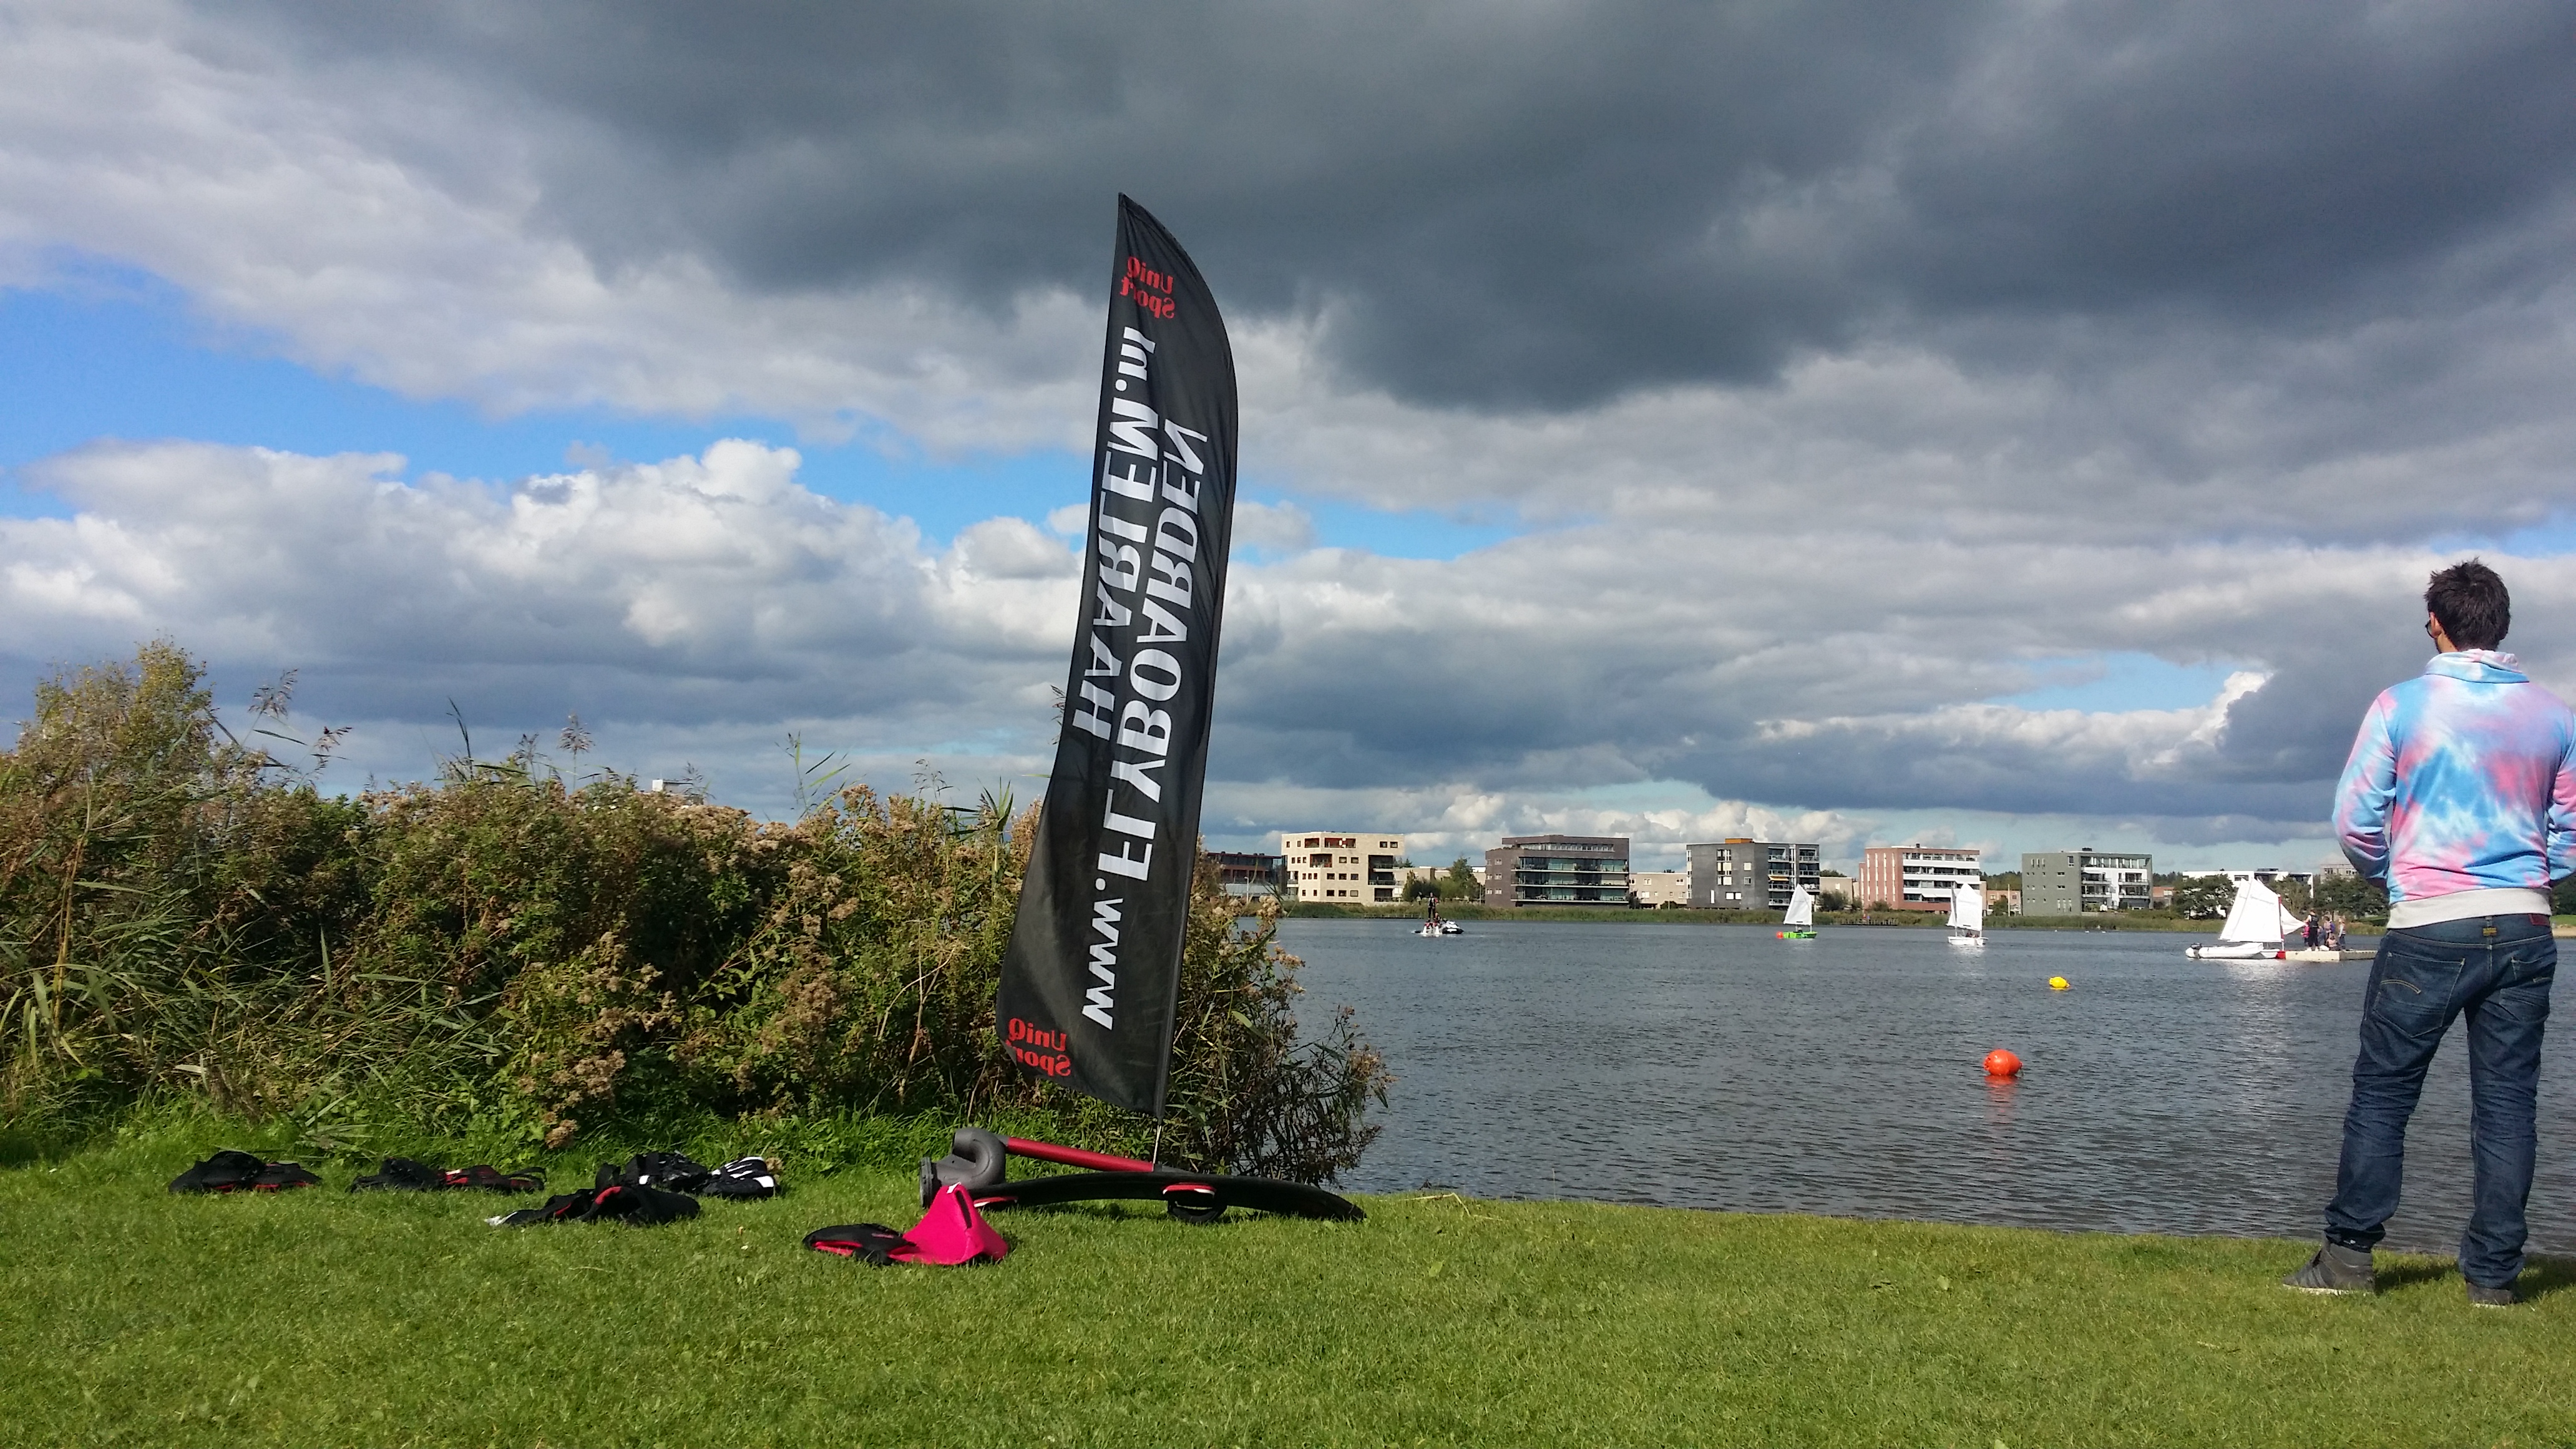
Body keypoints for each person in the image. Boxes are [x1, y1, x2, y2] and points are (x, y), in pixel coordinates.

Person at [2285, 560, 2576, 1306]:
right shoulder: (2555, 715)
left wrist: (2395, 878)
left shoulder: (2400, 706)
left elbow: (2356, 820)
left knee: (2385, 1095)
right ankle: (2494, 1280)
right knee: (2508, 1104)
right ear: (2501, 626)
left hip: (2429, 923)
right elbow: (2571, 828)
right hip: (2525, 923)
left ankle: (2348, 1259)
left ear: (2437, 626)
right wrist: (2533, 877)